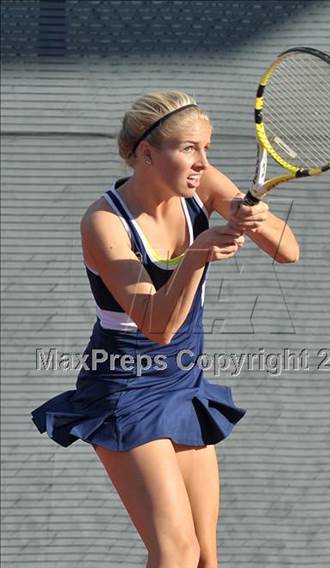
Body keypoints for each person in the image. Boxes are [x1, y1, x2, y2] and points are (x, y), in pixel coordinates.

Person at [31, 91, 299, 568]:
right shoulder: (103, 222)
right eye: (189, 148)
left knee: (205, 558)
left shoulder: (203, 185)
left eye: (207, 149)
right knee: (176, 553)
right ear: (147, 152)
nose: (202, 162)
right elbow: (157, 326)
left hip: (182, 382)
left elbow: (287, 251)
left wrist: (257, 219)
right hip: (123, 389)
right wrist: (197, 253)